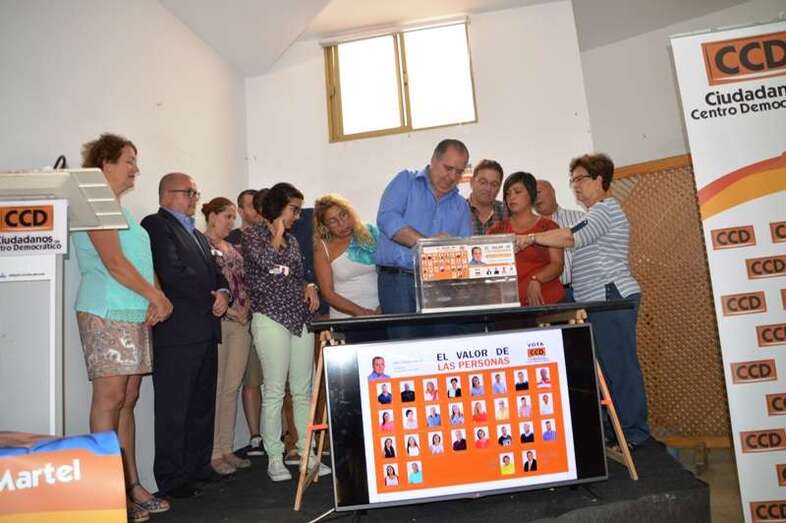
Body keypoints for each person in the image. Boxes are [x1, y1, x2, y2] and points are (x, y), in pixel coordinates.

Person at [73, 134, 172, 520]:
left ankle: (131, 485)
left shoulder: (121, 210)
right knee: (109, 399)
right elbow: (114, 263)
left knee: (128, 399)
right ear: (105, 163)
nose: (135, 168)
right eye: (129, 160)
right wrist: (156, 295)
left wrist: (156, 297)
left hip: (134, 312)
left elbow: (140, 261)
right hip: (106, 310)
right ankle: (108, 496)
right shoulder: (92, 202)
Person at [522, 153, 650, 448]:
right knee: (607, 370)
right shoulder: (595, 214)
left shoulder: (605, 210)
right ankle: (618, 432)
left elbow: (570, 238)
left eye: (580, 179)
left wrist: (530, 238)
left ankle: (634, 433)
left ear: (599, 180)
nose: (576, 186)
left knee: (620, 368)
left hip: (611, 296)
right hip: (598, 300)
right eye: (573, 180)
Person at [141, 172, 230, 500]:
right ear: (166, 194)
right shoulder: (156, 224)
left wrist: (223, 292)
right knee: (174, 408)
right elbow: (172, 272)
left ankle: (198, 467)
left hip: (205, 330)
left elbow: (217, 272)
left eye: (195, 192)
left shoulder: (195, 233)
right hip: (177, 333)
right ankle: (172, 477)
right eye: (188, 192)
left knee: (202, 405)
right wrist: (211, 298)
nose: (194, 198)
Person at [242, 182, 327, 481]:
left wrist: (309, 285)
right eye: (293, 210)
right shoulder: (252, 236)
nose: (297, 217)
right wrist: (277, 232)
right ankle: (275, 457)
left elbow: (297, 275)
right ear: (278, 207)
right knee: (275, 390)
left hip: (298, 319)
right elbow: (267, 263)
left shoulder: (292, 241)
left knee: (303, 391)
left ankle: (307, 453)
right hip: (270, 318)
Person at [376, 139, 472, 337]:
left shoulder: (461, 206)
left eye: (459, 172)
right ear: (433, 160)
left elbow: (464, 251)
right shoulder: (406, 181)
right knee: (405, 348)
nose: (452, 176)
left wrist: (450, 248)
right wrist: (428, 245)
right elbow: (387, 218)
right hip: (398, 282)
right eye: (448, 168)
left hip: (441, 287)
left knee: (441, 348)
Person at [202, 197, 253, 475]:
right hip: (219, 321)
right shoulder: (201, 244)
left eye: (234, 217)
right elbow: (207, 286)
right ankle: (213, 452)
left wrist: (246, 310)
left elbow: (245, 283)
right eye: (227, 216)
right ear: (211, 216)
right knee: (218, 386)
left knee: (232, 387)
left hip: (242, 322)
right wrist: (231, 311)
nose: (231, 222)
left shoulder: (233, 248)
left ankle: (227, 448)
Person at [225, 189, 266, 457]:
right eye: (251, 206)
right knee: (250, 380)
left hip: (270, 315)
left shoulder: (272, 237)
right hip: (243, 318)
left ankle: (286, 436)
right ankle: (255, 436)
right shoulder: (230, 239)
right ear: (240, 210)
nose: (257, 211)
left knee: (280, 381)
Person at [488, 172, 564, 306]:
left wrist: (537, 279)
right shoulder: (496, 230)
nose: (511, 197)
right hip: (508, 307)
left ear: (531, 194)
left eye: (517, 192)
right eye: (508, 194)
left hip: (547, 304)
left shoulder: (548, 227)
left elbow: (557, 264)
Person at [314, 194, 380, 323]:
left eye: (343, 215)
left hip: (382, 315)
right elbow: (327, 293)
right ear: (324, 226)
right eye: (333, 221)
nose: (342, 224)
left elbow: (390, 276)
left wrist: (382, 308)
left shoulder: (372, 234)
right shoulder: (323, 248)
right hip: (346, 320)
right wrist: (361, 313)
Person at [535, 179, 586, 302]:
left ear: (552, 191)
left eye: (539, 192)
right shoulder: (531, 229)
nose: (536, 197)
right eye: (532, 195)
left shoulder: (579, 218)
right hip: (548, 294)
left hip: (582, 291)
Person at [467, 159, 506, 235]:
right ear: (472, 182)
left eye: (494, 184)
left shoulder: (507, 212)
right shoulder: (458, 210)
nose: (488, 189)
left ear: (499, 188)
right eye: (483, 182)